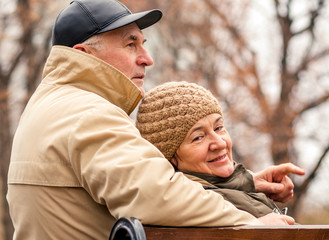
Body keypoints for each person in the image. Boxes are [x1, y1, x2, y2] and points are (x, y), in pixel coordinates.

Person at [7, 0, 303, 239]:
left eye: (143, 44)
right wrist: (250, 225)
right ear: (85, 54)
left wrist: (246, 181)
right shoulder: (87, 112)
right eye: (130, 44)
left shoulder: (49, 105)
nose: (147, 58)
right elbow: (154, 193)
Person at [136, 81, 305, 218]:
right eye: (198, 137)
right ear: (170, 157)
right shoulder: (211, 209)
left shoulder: (228, 193)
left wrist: (248, 181)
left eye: (218, 128)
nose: (221, 143)